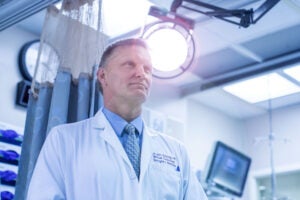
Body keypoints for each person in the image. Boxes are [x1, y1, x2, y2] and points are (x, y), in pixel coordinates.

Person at [27, 38, 208, 200]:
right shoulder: (64, 140)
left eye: (147, 69)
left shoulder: (176, 152)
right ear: (103, 76)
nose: (141, 74)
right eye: (129, 65)